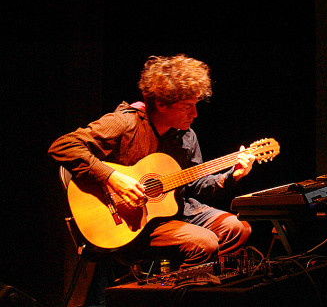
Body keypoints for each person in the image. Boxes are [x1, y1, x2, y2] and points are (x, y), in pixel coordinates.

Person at [49, 54, 255, 270]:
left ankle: (203, 285)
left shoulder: (186, 136)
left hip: (174, 212)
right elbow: (63, 145)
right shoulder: (125, 123)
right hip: (128, 222)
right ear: (161, 104)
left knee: (237, 228)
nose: (194, 113)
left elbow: (195, 186)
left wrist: (231, 176)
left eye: (195, 105)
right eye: (187, 106)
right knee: (204, 242)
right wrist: (113, 178)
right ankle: (171, 291)